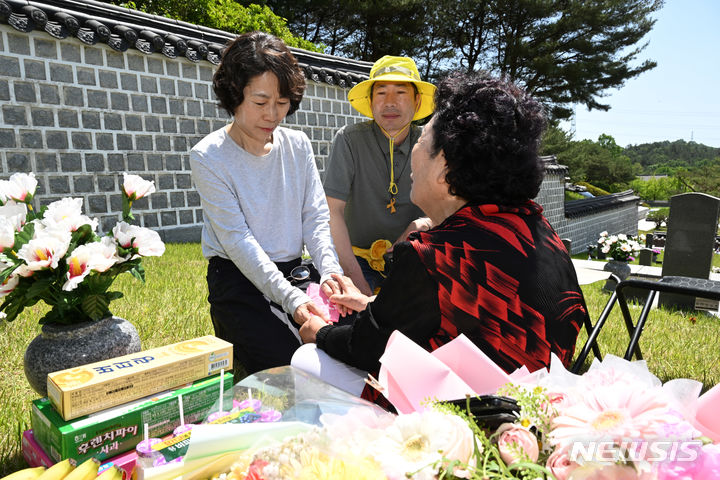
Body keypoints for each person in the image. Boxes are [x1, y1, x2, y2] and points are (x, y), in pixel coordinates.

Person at [294, 71, 590, 404]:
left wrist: (319, 332)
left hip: (467, 420)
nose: (412, 158)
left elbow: (367, 347)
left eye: (421, 145)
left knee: (306, 359)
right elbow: (454, 318)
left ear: (445, 169)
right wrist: (372, 306)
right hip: (537, 407)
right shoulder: (540, 231)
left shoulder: (435, 255)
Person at [190, 31, 343, 375]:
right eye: (260, 102)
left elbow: (315, 217)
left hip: (294, 269)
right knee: (291, 368)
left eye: (283, 102)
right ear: (234, 95)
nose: (273, 114)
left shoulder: (298, 144)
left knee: (342, 347)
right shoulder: (208, 156)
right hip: (238, 276)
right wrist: (293, 300)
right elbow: (238, 241)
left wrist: (331, 271)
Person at [323, 56, 436, 295]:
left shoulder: (430, 143)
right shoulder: (349, 139)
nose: (390, 103)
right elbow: (332, 211)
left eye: (401, 93)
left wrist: (422, 224)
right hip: (355, 259)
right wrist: (356, 280)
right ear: (371, 100)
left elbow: (451, 208)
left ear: (417, 101)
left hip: (415, 257)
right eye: (381, 93)